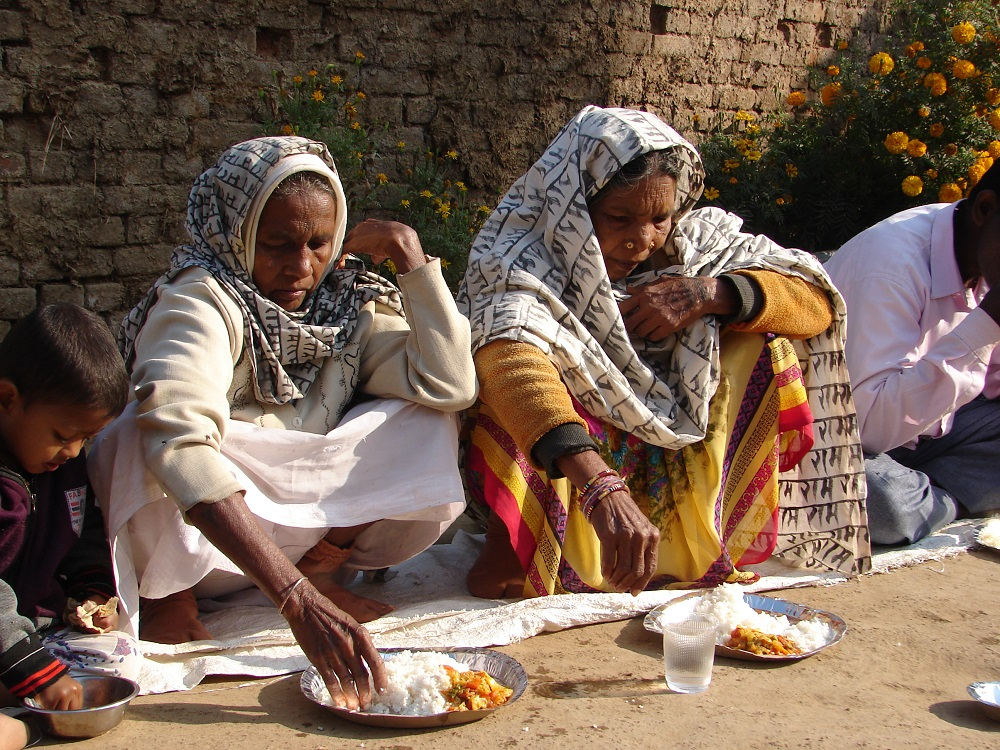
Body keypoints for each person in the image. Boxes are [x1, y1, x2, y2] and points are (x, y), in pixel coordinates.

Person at [87, 136, 477, 709]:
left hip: (297, 534)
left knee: (422, 419)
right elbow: (177, 436)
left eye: (320, 243)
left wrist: (410, 256)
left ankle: (325, 570)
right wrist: (292, 599)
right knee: (140, 436)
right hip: (209, 535)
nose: (302, 267)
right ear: (237, 235)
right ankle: (174, 595)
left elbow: (449, 384)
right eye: (276, 245)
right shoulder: (200, 299)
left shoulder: (346, 303)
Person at [457, 106, 870, 598]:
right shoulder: (519, 260)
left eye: (660, 218)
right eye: (619, 218)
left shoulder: (698, 247)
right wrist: (599, 484)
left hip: (676, 436)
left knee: (764, 341)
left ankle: (696, 543)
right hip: (578, 455)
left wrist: (712, 295)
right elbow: (510, 358)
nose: (641, 240)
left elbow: (817, 306)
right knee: (507, 369)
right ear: (572, 206)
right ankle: (527, 548)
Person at [824, 162, 1000, 545]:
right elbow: (866, 429)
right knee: (883, 504)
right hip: (841, 438)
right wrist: (989, 321)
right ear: (985, 210)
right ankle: (944, 498)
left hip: (934, 429)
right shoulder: (893, 265)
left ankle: (928, 496)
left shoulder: (985, 260)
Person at [0, 304, 141, 716]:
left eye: (87, 438)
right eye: (63, 435)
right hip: (11, 637)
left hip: (37, 631)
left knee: (122, 663)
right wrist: (30, 669)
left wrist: (92, 590)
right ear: (7, 398)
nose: (74, 452)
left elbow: (84, 527)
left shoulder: (63, 464)